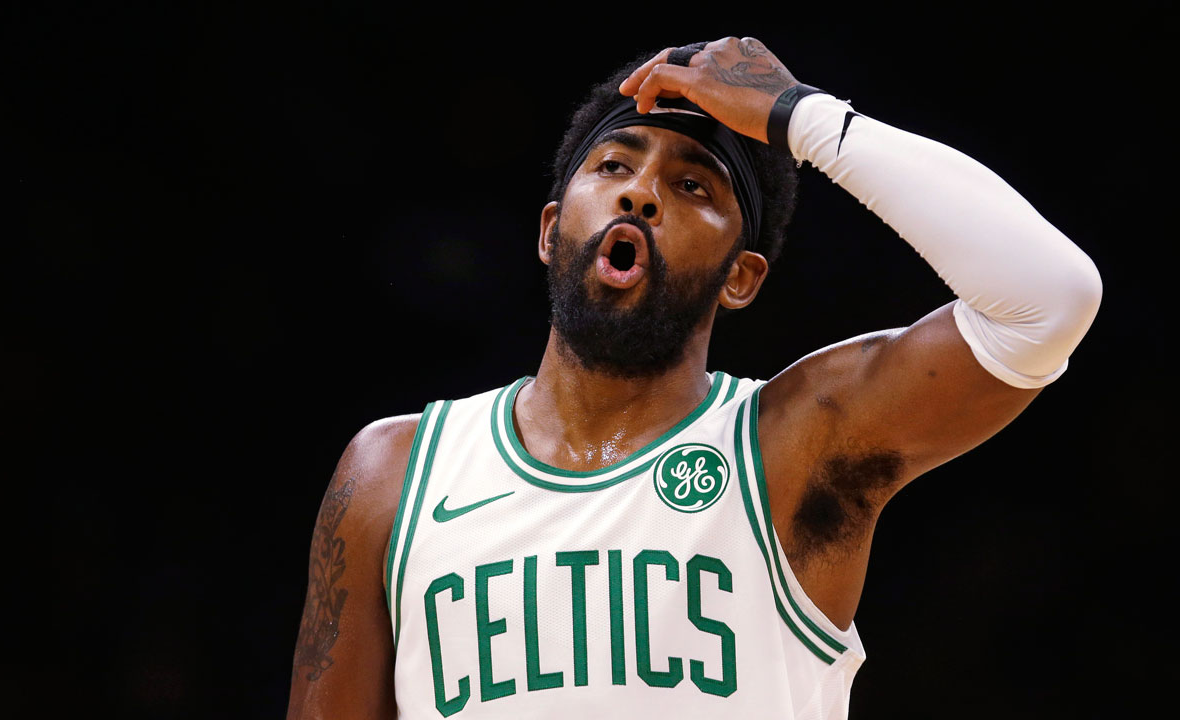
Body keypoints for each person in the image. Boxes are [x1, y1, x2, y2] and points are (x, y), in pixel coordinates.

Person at [286, 37, 1102, 720]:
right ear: (550, 230)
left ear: (741, 276)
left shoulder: (791, 445)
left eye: (692, 186)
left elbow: (1048, 299)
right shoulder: (394, 473)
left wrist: (804, 118)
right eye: (614, 165)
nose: (640, 194)